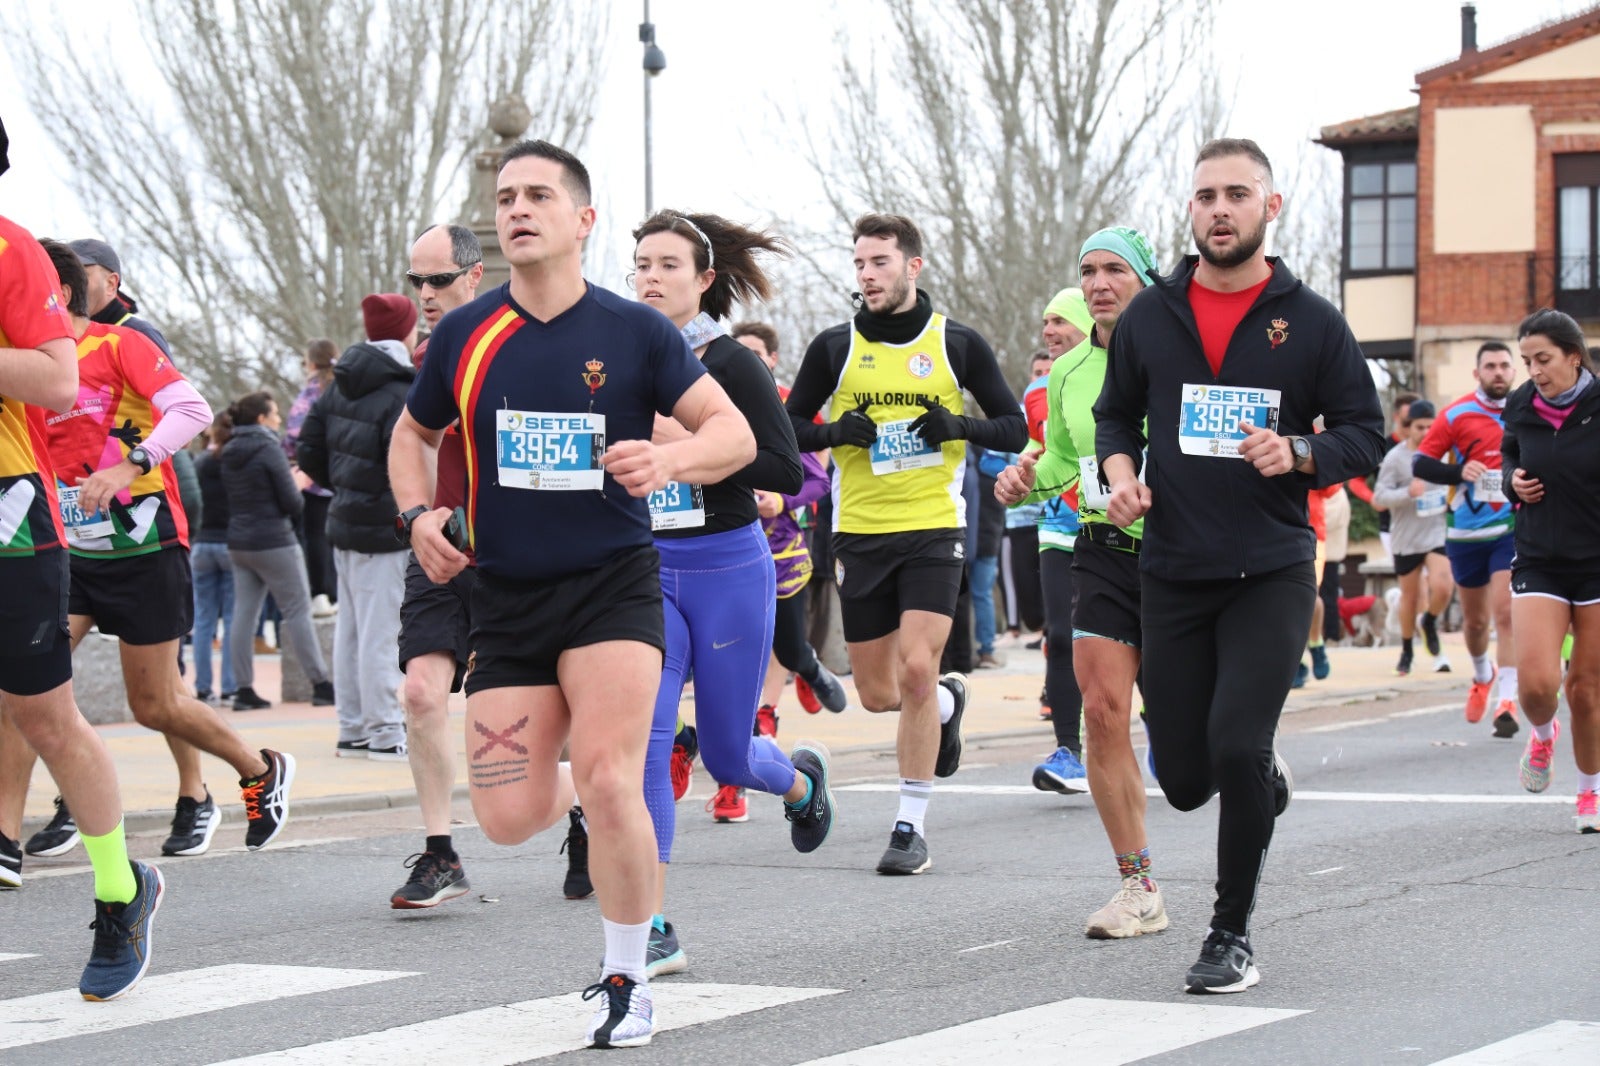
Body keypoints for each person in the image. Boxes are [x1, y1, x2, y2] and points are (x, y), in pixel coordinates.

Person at [388, 140, 755, 1048]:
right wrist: (417, 519)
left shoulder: (636, 332)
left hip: (613, 587)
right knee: (504, 817)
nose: (517, 209)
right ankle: (603, 785)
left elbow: (736, 435)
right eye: (506, 197)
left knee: (606, 772)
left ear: (581, 221)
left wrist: (666, 456)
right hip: (507, 597)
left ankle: (626, 974)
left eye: (538, 195)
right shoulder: (467, 337)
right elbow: (410, 434)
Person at [1096, 138, 1386, 993]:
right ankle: (1253, 775)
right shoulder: (1153, 315)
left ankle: (1230, 936)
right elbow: (1116, 418)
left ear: (1271, 207)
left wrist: (1299, 450)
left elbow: (1363, 431)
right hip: (1175, 568)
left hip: (1271, 567)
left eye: (1236, 195)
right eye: (1204, 197)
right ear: (1189, 212)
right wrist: (1121, 477)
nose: (1219, 210)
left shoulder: (1313, 319)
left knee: (1236, 744)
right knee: (1185, 779)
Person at [0, 241, 294, 864]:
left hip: (146, 548)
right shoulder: (26, 368)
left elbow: (192, 410)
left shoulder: (121, 343)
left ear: (55, 293)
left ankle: (258, 770)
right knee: (20, 692)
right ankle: (6, 840)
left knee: (155, 703)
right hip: (71, 555)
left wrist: (128, 466)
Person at [785, 212, 1027, 874]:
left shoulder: (957, 343)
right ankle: (950, 703)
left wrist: (957, 424)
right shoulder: (834, 348)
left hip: (932, 525)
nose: (867, 275)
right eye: (859, 263)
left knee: (918, 666)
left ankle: (908, 828)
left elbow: (1014, 427)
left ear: (913, 267)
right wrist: (838, 434)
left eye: (880, 262)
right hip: (861, 531)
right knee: (880, 693)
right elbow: (786, 429)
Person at [629, 209, 833, 972]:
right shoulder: (617, 362)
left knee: (727, 755)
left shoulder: (732, 365)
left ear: (704, 280)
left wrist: (687, 448)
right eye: (641, 264)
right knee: (649, 742)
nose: (650, 277)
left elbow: (784, 471)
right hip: (646, 569)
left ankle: (797, 780)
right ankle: (652, 924)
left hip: (726, 568)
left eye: (668, 265)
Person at [0, 119, 162, 998]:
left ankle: (119, 890)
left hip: (11, 514)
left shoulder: (12, 250)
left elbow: (58, 380)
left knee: (46, 716)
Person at [997, 229, 1165, 938]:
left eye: (1115, 269)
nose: (1099, 283)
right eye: (1088, 271)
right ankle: (1138, 886)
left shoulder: (1185, 354)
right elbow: (1064, 462)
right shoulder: (1065, 375)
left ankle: (1242, 748)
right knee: (1102, 711)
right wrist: (1028, 475)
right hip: (1101, 550)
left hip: (1186, 556)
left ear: (1146, 279)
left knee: (1191, 740)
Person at [384, 221, 484, 909]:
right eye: (415, 280)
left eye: (438, 279)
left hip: (520, 549)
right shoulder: (425, 354)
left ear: (474, 276)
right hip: (441, 544)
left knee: (530, 717)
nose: (424, 293)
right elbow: (410, 439)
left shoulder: (515, 336)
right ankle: (440, 851)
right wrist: (417, 516)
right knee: (420, 694)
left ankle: (582, 812)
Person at [297, 294, 417, 762]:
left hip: (344, 521)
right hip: (384, 527)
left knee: (352, 630)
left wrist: (344, 486)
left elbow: (307, 449)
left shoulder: (338, 385)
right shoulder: (401, 390)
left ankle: (352, 728)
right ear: (404, 331)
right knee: (381, 632)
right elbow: (407, 460)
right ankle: (385, 729)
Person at [1501, 309, 1600, 833]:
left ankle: (1590, 793)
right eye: (1527, 361)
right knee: (1538, 685)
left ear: (1573, 357)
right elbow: (1509, 457)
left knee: (1586, 689)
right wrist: (1511, 483)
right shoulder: (1521, 405)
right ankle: (1542, 737)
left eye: (1543, 359)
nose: (1534, 371)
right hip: (1539, 555)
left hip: (1597, 564)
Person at [1414, 343, 1520, 736]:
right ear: (1477, 374)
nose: (1498, 372)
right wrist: (1459, 473)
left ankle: (1507, 701)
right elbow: (1421, 462)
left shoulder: (1525, 413)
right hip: (1465, 531)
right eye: (1490, 366)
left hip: (1510, 529)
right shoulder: (1456, 414)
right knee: (1475, 623)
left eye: (1505, 366)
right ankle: (1482, 674)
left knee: (1506, 614)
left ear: (1514, 372)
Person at [221, 391, 334, 710]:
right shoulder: (269, 448)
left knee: (243, 614)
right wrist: (297, 484)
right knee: (298, 609)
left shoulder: (228, 450)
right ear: (261, 418)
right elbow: (293, 503)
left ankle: (243, 689)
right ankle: (321, 684)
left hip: (240, 542)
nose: (279, 419)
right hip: (274, 540)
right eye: (274, 414)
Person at [1026, 292, 1092, 750]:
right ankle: (1068, 749)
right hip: (1059, 525)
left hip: (1120, 526)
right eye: (1045, 321)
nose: (1049, 331)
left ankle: (1160, 726)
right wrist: (1020, 475)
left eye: (1060, 321)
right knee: (1061, 634)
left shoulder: (1127, 373)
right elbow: (1042, 452)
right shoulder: (1036, 392)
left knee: (1145, 639)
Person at [1372, 400, 1454, 676]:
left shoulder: (1442, 454)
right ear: (1408, 428)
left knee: (1443, 586)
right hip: (1406, 537)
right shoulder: (1395, 458)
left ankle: (1429, 621)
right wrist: (1408, 493)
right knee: (1411, 597)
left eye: (1431, 427)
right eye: (1420, 427)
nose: (1426, 432)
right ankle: (1407, 649)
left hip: (1435, 532)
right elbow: (1379, 498)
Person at [285, 338, 338, 618]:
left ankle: (321, 592)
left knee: (315, 535)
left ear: (312, 363)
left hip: (313, 477)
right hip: (342, 473)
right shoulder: (343, 389)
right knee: (335, 536)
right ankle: (337, 592)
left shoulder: (310, 393)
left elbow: (295, 434)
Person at [192, 414, 238, 701]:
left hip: (202, 543)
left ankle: (203, 686)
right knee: (233, 618)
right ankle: (231, 687)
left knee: (203, 619)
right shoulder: (234, 463)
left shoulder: (198, 464)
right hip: (231, 543)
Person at [65, 237, 172, 359]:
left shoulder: (139, 334)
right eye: (64, 276)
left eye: (80, 275)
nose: (69, 284)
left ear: (111, 284)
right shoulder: (61, 339)